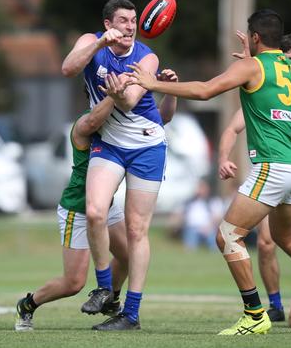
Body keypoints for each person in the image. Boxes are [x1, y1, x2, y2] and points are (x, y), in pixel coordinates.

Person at [129, 9, 291, 335]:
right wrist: (251, 61)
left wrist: (152, 83)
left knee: (227, 236)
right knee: (287, 238)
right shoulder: (290, 71)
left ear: (255, 37)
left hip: (273, 166)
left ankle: (254, 313)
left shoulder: (252, 66)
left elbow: (206, 89)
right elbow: (264, 83)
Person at [14, 69, 179, 332]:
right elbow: (93, 122)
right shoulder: (84, 123)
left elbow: (160, 120)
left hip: (106, 208)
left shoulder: (124, 122)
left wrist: (167, 90)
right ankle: (28, 304)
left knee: (126, 256)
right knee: (74, 283)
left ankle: (111, 299)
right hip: (77, 208)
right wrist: (118, 93)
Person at [61, 0, 175, 331]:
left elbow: (128, 102)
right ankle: (103, 288)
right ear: (109, 24)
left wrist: (117, 90)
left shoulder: (146, 57)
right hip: (109, 144)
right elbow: (68, 69)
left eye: (134, 20)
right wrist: (99, 43)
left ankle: (132, 314)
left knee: (137, 230)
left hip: (147, 145)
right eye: (123, 21)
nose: (130, 26)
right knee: (95, 210)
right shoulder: (90, 42)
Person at [217, 32, 291, 322]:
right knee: (268, 241)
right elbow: (233, 127)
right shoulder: (267, 87)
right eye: (283, 58)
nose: (287, 64)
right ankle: (276, 305)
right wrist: (223, 158)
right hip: (278, 168)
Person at [169, 179, 224, 251]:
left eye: (203, 188)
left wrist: (209, 227)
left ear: (208, 189)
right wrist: (175, 223)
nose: (200, 190)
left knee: (213, 241)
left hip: (209, 228)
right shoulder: (189, 201)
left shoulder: (213, 201)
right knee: (190, 245)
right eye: (199, 188)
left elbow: (218, 217)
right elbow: (178, 214)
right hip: (191, 228)